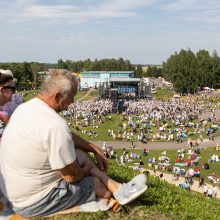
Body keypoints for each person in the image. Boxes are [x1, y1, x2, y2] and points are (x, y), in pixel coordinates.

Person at [0, 69, 147, 218]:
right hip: (32, 202)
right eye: (71, 96)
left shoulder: (25, 108)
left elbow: (68, 137)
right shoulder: (55, 125)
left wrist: (93, 149)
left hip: (14, 191)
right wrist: (86, 170)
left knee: (80, 154)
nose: (73, 101)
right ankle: (115, 190)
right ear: (57, 96)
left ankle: (118, 188)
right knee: (96, 185)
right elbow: (71, 177)